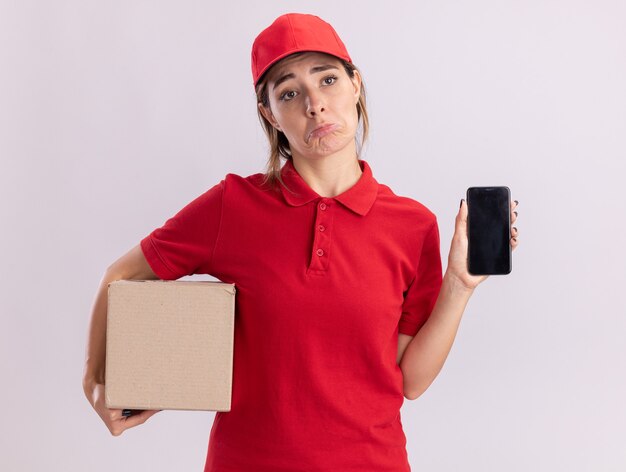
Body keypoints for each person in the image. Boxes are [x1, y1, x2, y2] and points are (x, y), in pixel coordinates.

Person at [83, 12, 520, 471]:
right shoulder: (233, 206)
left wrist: (459, 284)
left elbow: (409, 380)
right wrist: (95, 382)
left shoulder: (412, 225)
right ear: (269, 113)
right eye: (289, 92)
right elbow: (121, 276)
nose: (315, 104)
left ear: (355, 84)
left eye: (327, 79)